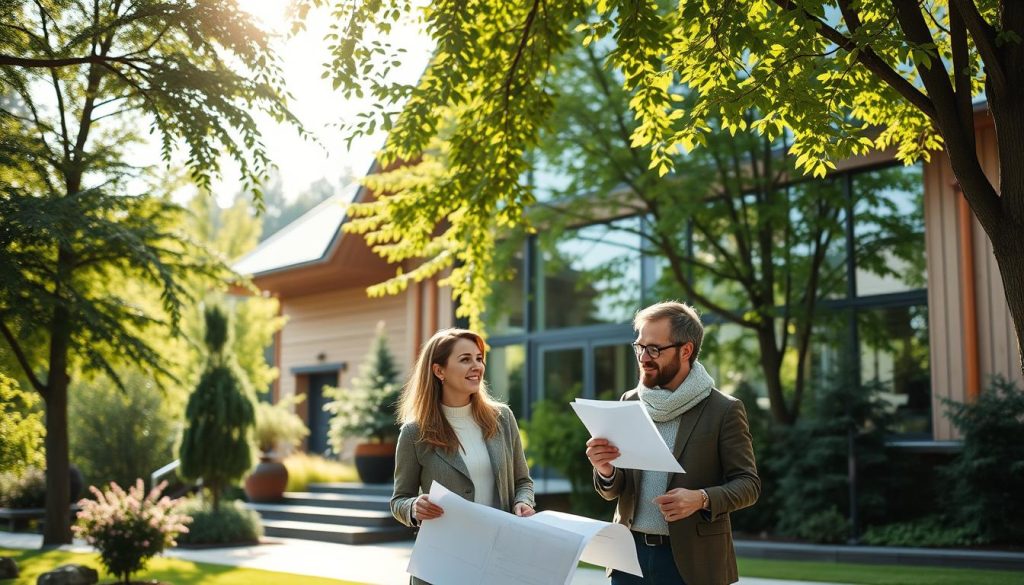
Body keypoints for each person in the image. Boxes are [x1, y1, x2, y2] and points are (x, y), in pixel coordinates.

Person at [586, 301, 760, 585]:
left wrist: (700, 498)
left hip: (693, 564)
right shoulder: (629, 402)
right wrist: (605, 469)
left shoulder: (723, 410)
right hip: (629, 559)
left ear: (686, 350)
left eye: (654, 348)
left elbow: (749, 485)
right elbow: (615, 491)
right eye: (639, 346)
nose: (643, 357)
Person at [391, 328, 535, 585]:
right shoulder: (414, 433)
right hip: (441, 563)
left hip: (498, 556)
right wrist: (414, 507)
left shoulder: (502, 419)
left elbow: (523, 481)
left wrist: (523, 502)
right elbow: (399, 500)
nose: (476, 366)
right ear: (439, 371)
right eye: (465, 359)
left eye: (479, 358)